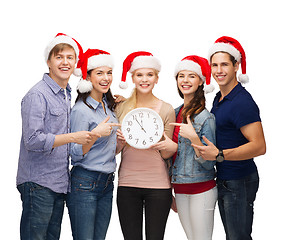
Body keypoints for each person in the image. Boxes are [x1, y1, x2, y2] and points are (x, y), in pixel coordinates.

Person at [16, 33, 97, 240]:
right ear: (48, 62)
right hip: (38, 183)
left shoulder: (65, 93)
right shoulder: (38, 94)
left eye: (70, 57)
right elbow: (33, 140)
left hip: (59, 183)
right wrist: (72, 137)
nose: (65, 62)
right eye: (59, 57)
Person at [192, 36, 266, 240]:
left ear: (236, 66)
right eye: (214, 65)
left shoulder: (242, 101)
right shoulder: (219, 98)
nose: (218, 70)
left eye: (224, 64)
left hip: (239, 180)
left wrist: (220, 155)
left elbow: (259, 146)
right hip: (225, 179)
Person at [154, 55, 217, 239]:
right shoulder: (175, 113)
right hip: (180, 190)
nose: (185, 80)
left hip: (202, 189)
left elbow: (209, 163)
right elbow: (171, 157)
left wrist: (194, 138)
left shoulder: (206, 118)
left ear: (200, 81)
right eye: (181, 76)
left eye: (191, 76)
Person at [116, 51, 176, 240]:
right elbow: (115, 151)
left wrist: (167, 146)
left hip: (158, 186)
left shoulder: (166, 109)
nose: (144, 79)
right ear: (132, 78)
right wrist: (120, 141)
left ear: (157, 79)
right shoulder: (121, 107)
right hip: (127, 183)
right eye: (139, 75)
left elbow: (167, 155)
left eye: (149, 75)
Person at [66, 49, 121, 240]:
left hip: (107, 182)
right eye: (99, 73)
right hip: (85, 182)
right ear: (88, 77)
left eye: (109, 73)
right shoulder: (81, 111)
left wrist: (120, 143)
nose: (106, 78)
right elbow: (75, 154)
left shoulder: (109, 106)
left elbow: (107, 151)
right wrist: (94, 135)